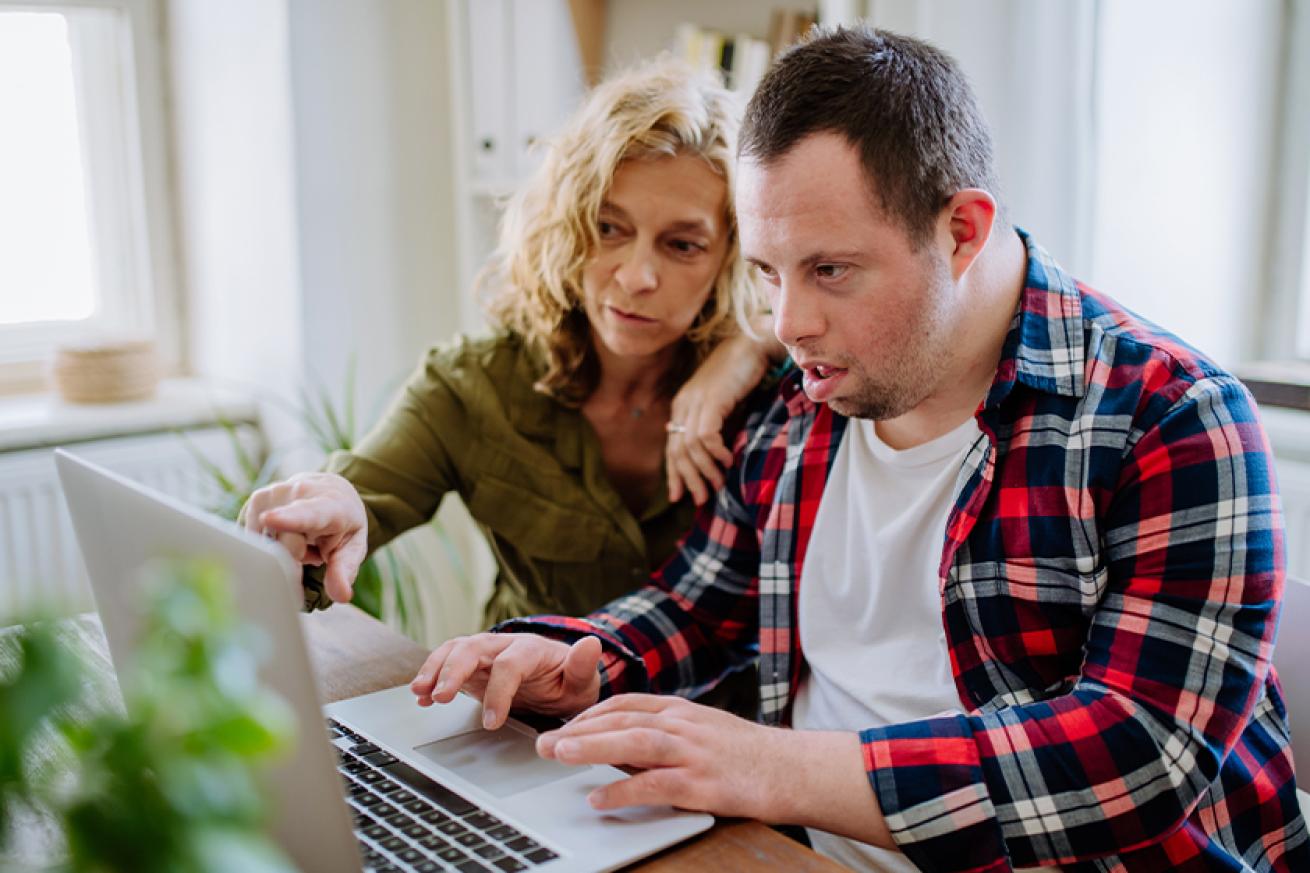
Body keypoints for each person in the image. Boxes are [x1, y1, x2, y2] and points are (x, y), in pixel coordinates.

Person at [408, 27, 1309, 873]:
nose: (788, 323)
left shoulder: (1170, 414)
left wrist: (776, 766)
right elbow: (705, 603)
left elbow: (1140, 753)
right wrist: (581, 660)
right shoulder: (810, 394)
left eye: (829, 270)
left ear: (962, 230)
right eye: (766, 271)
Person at [241, 59, 771, 626]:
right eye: (609, 227)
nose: (638, 275)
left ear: (731, 258)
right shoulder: (474, 388)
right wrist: (328, 511)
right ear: (568, 225)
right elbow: (357, 495)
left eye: (683, 245)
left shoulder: (768, 395)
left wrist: (748, 349)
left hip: (710, 712)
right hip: (520, 710)